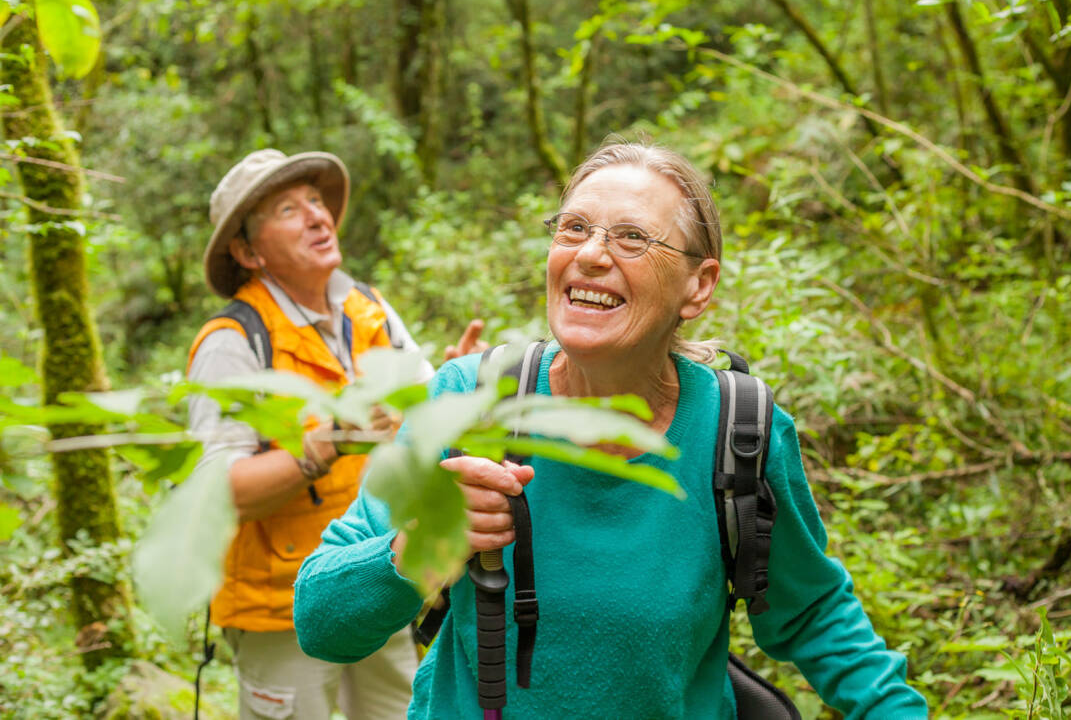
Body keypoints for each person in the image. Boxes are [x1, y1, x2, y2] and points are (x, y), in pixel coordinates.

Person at [292, 141, 929, 718]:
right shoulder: (470, 402)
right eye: (574, 228)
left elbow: (812, 614)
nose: (591, 255)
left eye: (632, 238)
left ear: (698, 286)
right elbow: (320, 623)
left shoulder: (739, 434)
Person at [187, 148, 484, 720]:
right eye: (288, 210)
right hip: (276, 610)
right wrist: (328, 442)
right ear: (248, 252)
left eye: (315, 201)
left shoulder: (368, 309)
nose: (317, 216)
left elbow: (417, 414)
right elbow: (217, 493)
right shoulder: (232, 342)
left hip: (371, 577)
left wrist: (452, 388)